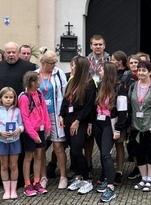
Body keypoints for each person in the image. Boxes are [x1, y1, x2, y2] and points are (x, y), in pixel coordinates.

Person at [0, 42, 38, 182]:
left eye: (14, 52)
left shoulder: (28, 67)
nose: (11, 55)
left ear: (18, 52)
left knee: (17, 144)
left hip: (18, 113)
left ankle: (18, 178)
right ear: (4, 53)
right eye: (8, 52)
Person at [60, 56, 97, 194]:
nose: (71, 68)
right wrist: (61, 115)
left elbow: (89, 107)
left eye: (73, 65)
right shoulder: (72, 81)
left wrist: (78, 121)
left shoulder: (89, 83)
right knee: (72, 150)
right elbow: (65, 100)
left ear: (80, 67)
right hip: (68, 119)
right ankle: (78, 177)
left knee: (76, 150)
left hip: (79, 121)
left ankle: (87, 180)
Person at [93, 62, 128, 203]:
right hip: (98, 122)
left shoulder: (119, 87)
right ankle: (107, 178)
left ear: (107, 72)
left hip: (109, 123)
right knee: (102, 152)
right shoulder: (101, 85)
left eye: (101, 70)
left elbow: (122, 111)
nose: (99, 72)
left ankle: (110, 186)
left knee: (106, 154)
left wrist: (118, 129)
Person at [128, 60, 151, 192]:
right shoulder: (133, 86)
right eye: (139, 70)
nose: (141, 73)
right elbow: (130, 106)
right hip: (136, 126)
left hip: (149, 125)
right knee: (139, 153)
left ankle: (150, 179)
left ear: (150, 72)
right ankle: (143, 178)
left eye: (144, 70)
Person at [37, 51, 68, 189]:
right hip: (40, 116)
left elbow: (65, 93)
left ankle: (63, 176)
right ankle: (43, 176)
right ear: (43, 63)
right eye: (52, 63)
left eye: (55, 62)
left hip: (55, 114)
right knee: (42, 147)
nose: (54, 65)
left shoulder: (58, 73)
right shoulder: (35, 74)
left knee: (58, 146)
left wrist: (63, 114)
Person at [0, 87, 23, 200]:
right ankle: (6, 190)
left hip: (15, 141)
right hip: (2, 142)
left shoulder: (17, 111)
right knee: (4, 165)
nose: (8, 100)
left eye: (11, 97)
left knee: (13, 165)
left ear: (14, 99)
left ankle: (13, 189)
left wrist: (19, 130)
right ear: (1, 98)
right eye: (6, 97)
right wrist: (0, 132)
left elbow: (22, 124)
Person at [19, 71, 51, 196]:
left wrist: (47, 127)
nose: (40, 82)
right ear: (32, 82)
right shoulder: (24, 97)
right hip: (30, 132)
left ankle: (37, 181)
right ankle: (27, 183)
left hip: (40, 130)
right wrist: (33, 135)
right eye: (38, 80)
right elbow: (25, 118)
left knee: (39, 156)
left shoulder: (39, 93)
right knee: (29, 157)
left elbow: (44, 110)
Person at [111, 50, 134, 184]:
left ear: (119, 62)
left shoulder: (127, 75)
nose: (111, 62)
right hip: (110, 114)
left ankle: (119, 171)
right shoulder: (111, 73)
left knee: (120, 144)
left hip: (122, 114)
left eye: (113, 60)